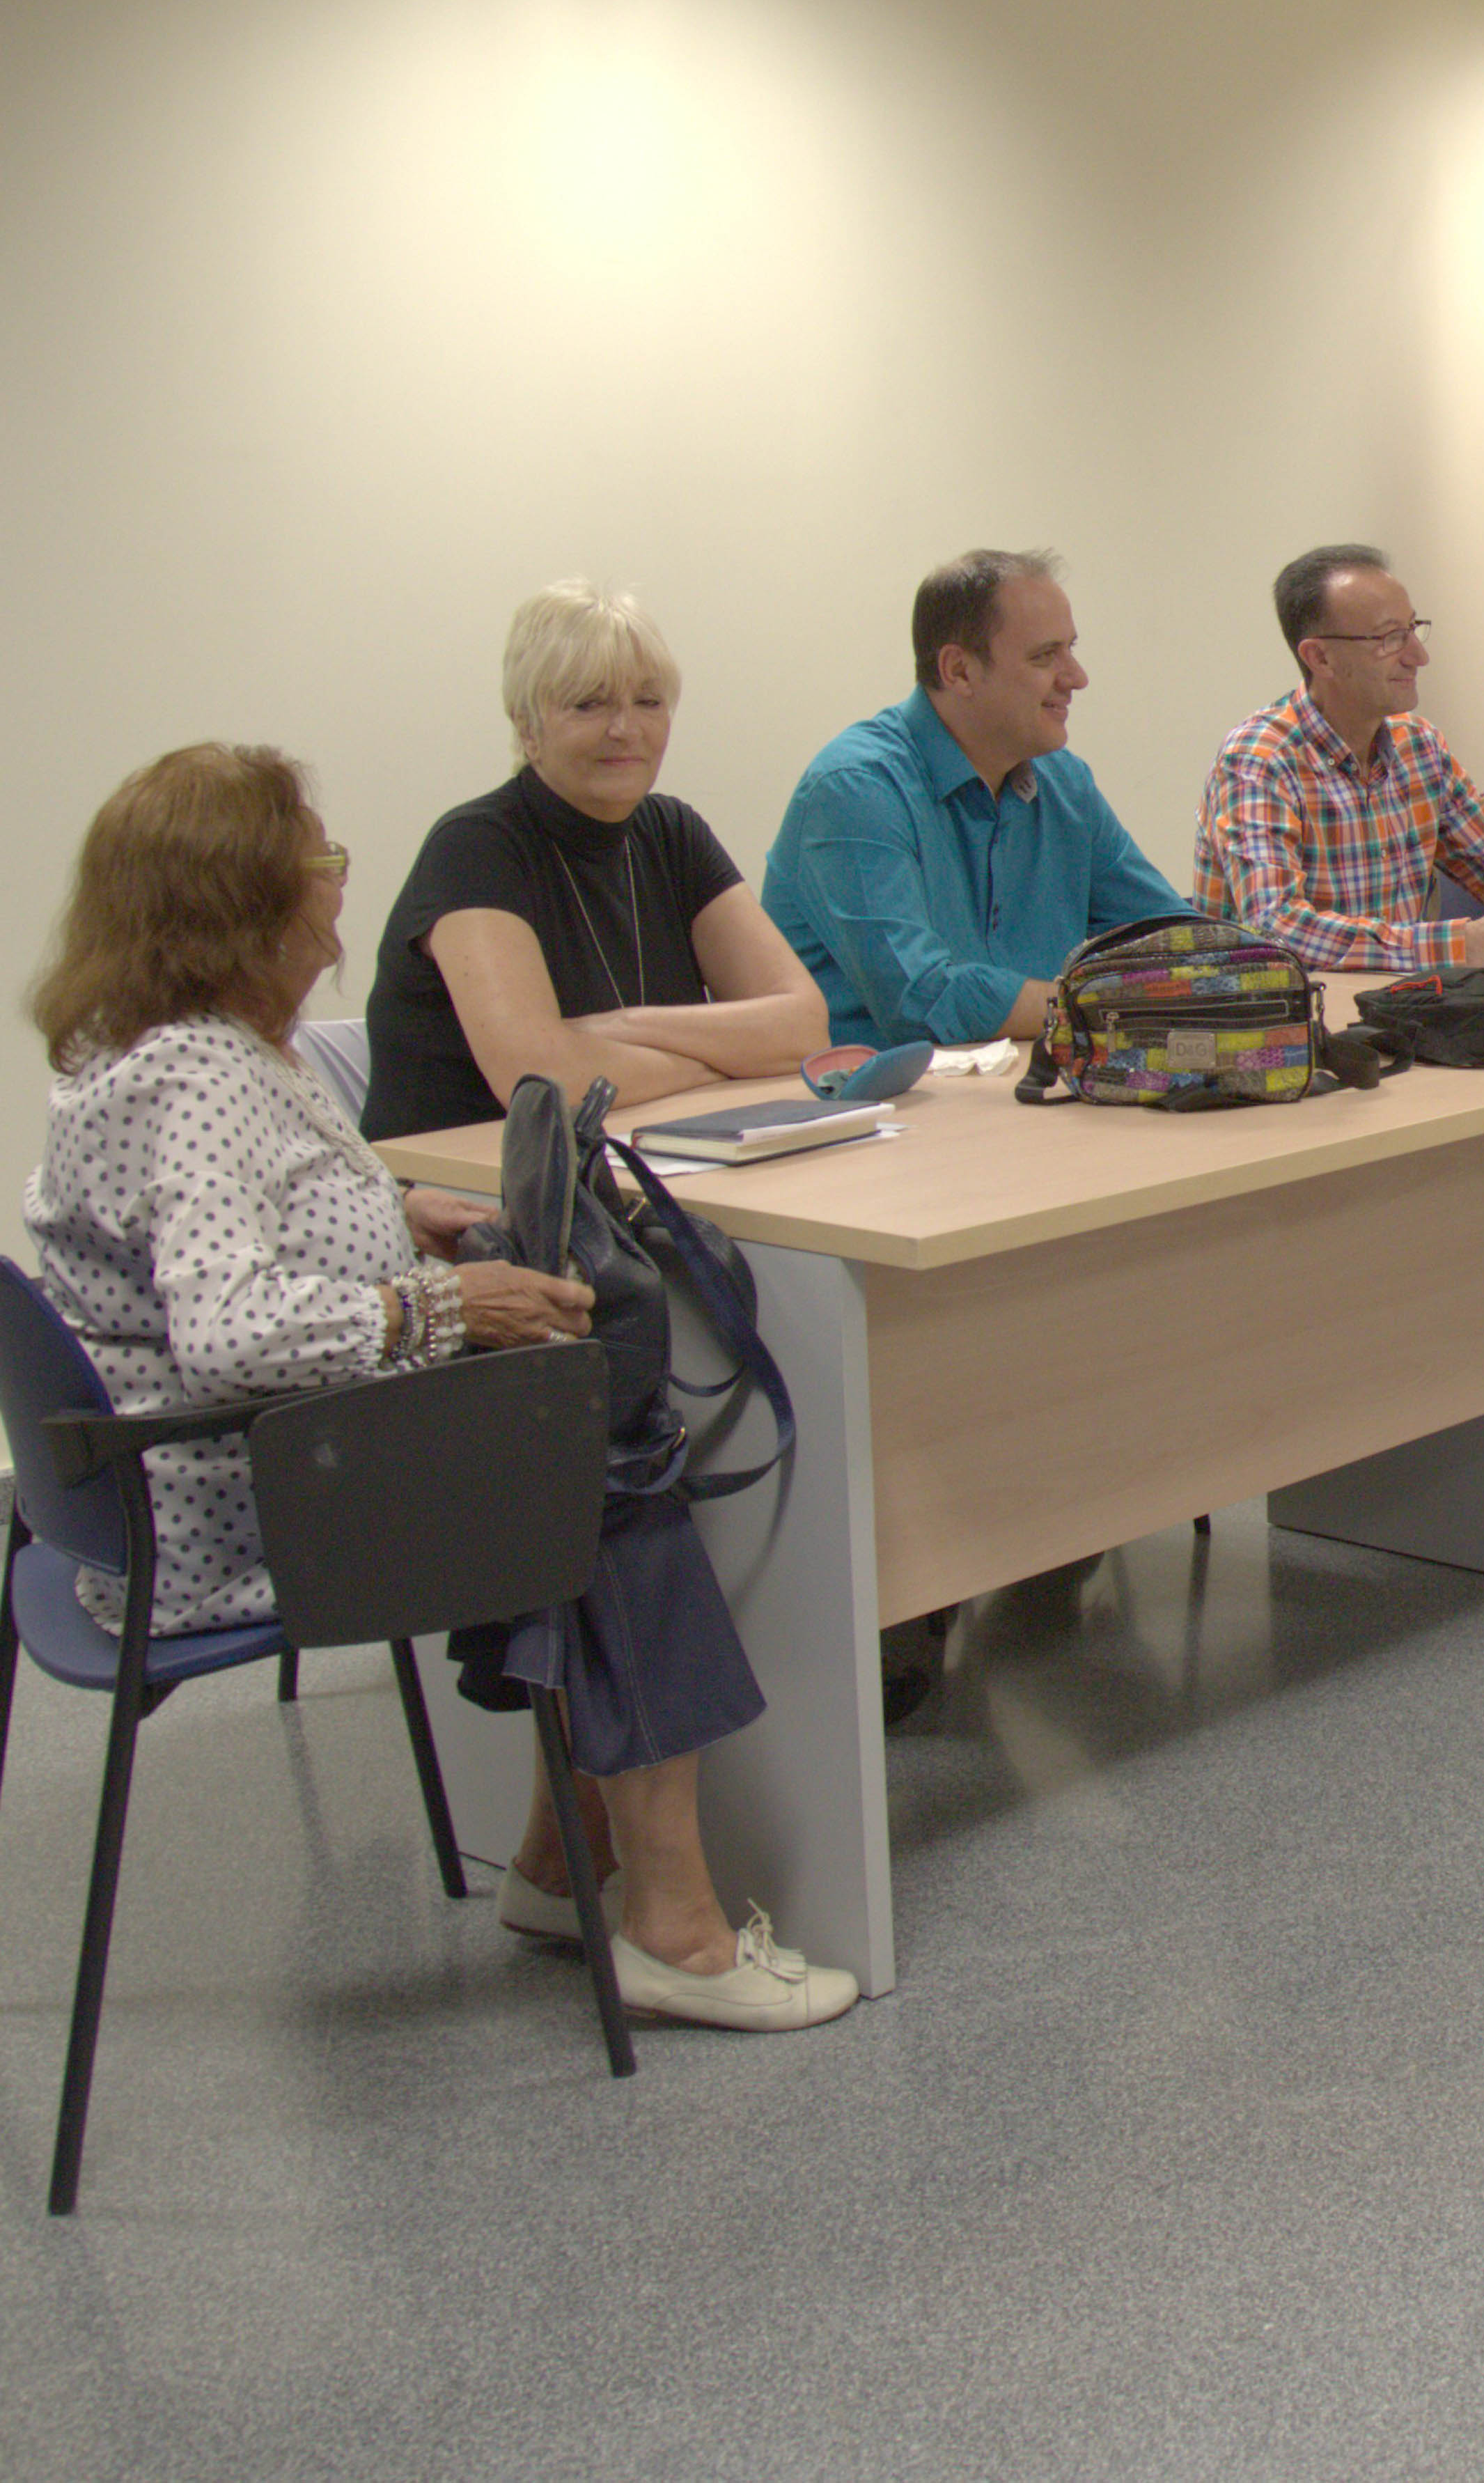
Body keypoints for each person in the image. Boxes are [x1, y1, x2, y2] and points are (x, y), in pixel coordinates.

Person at [24, 745, 853, 2031]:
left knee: (565, 1423)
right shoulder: (202, 1078)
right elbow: (231, 1328)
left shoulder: (161, 1053)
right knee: (614, 1465)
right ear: (246, 902)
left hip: (169, 1494)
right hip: (248, 1516)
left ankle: (557, 1862)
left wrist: (395, 1218)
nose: (339, 886)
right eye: (319, 857)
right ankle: (676, 1928)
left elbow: (232, 1240)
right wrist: (445, 1304)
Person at [361, 582, 827, 1141]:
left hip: (641, 1161)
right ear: (527, 727)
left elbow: (803, 1028)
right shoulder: (474, 847)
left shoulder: (673, 833)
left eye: (648, 702)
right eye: (589, 704)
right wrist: (719, 1063)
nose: (625, 729)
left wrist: (623, 1026)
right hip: (469, 1179)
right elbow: (543, 1080)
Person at [760, 547, 1191, 1050]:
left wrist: (1246, 977)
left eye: (1071, 649)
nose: (1077, 677)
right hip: (883, 1093)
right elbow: (922, 1001)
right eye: (1045, 656)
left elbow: (1177, 943)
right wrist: (1099, 1005)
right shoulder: (855, 788)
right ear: (959, 671)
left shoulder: (1065, 784)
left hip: (1029, 1082)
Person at [1198, 543, 1484, 972]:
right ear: (1321, 658)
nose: (1418, 656)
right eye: (1389, 639)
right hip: (1282, 1019)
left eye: (1413, 630)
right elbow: (1276, 928)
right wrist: (1465, 945)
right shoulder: (1259, 760)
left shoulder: (1418, 745)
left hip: (1398, 1006)